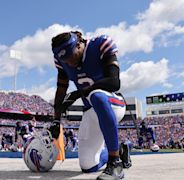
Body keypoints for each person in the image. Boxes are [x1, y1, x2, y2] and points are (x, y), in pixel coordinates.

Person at [49, 31, 127, 180]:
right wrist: (56, 120)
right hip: (90, 111)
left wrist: (79, 93)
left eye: (71, 56)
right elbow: (61, 91)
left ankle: (115, 162)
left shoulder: (100, 44)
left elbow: (114, 83)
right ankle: (120, 151)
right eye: (65, 60)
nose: (69, 62)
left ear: (79, 44)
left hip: (112, 103)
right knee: (88, 165)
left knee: (96, 95)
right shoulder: (62, 61)